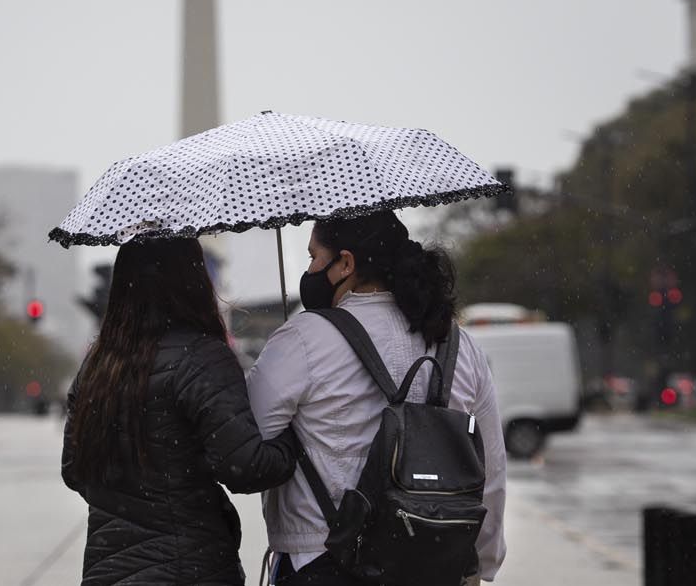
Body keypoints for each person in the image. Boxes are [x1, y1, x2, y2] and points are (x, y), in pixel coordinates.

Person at [247, 212, 506, 585]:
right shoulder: (459, 345)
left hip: (322, 561)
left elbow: (251, 441)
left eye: (313, 257)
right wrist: (480, 564)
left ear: (345, 264)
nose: (310, 269)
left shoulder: (302, 339)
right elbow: (490, 470)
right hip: (435, 565)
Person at [62, 237, 299, 585]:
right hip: (189, 569)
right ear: (193, 281)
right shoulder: (202, 358)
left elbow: (74, 470)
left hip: (107, 572)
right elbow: (246, 468)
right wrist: (293, 437)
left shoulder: (97, 367)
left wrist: (132, 494)